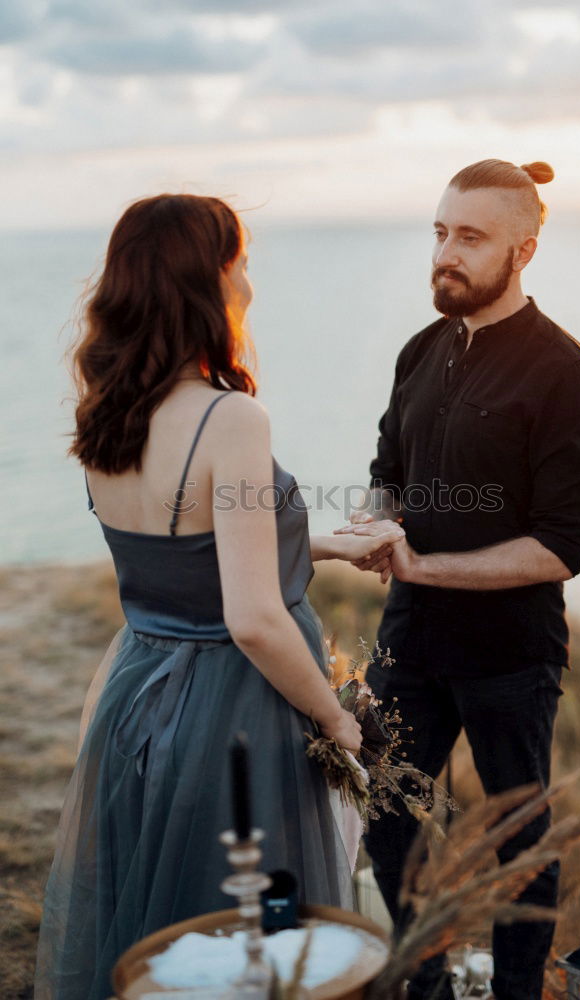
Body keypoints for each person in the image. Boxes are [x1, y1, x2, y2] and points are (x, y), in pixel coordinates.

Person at [34, 194, 404, 1000]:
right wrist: (337, 718)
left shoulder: (107, 413)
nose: (248, 278)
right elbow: (253, 618)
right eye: (240, 260)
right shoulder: (229, 417)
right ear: (209, 280)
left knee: (167, 935)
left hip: (138, 699)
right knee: (256, 930)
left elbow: (183, 549)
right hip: (235, 712)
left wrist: (323, 544)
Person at [336, 160, 580, 1000]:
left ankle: (517, 994)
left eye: (470, 237)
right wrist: (378, 521)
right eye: (440, 231)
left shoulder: (566, 375)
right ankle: (426, 980)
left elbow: (561, 546)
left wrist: (426, 563)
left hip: (508, 661)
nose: (445, 253)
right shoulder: (420, 350)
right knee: (388, 820)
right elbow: (387, 468)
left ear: (522, 250)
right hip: (408, 643)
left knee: (517, 843)